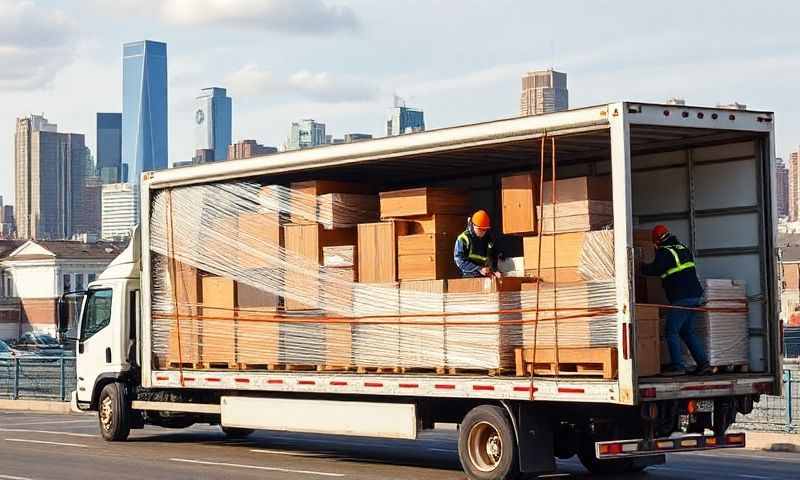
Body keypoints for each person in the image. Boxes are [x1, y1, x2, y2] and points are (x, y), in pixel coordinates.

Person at [641, 225, 712, 376]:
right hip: (695, 295)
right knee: (687, 331)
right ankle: (703, 363)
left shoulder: (664, 252)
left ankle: (678, 366)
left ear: (657, 241)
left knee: (671, 331)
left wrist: (639, 267)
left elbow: (655, 269)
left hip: (682, 297)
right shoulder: (682, 247)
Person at [454, 210, 501, 278]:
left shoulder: (488, 239)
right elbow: (459, 260)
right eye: (480, 229)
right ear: (473, 225)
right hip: (469, 277)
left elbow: (493, 256)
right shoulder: (463, 239)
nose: (482, 232)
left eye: (484, 230)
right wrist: (478, 269)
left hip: (485, 276)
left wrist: (495, 270)